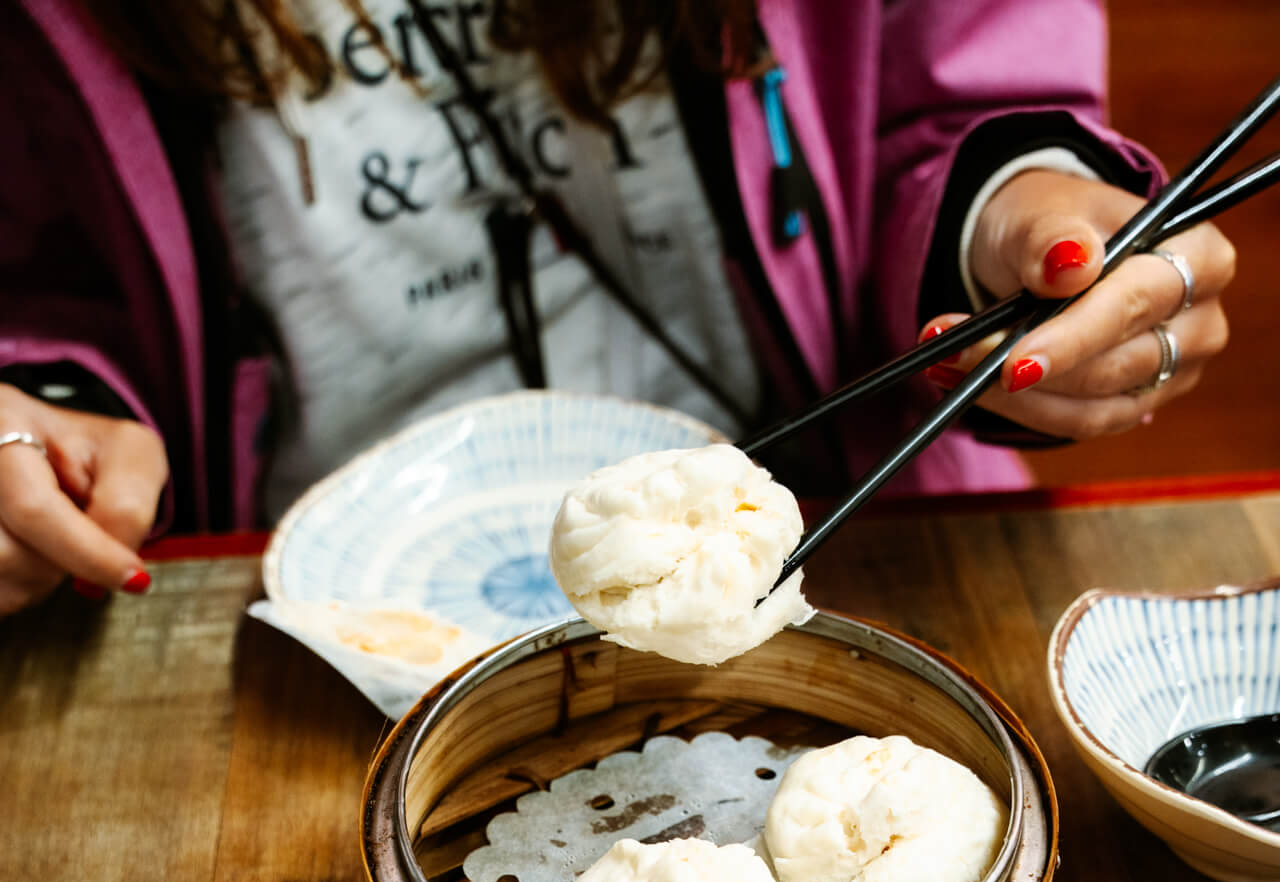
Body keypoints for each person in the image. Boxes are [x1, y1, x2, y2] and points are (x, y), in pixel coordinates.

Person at [0, 0, 1236, 615]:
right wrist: (46, 412)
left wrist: (1012, 214)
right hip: (306, 605)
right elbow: (53, 263)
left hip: (848, 547)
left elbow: (949, 90)